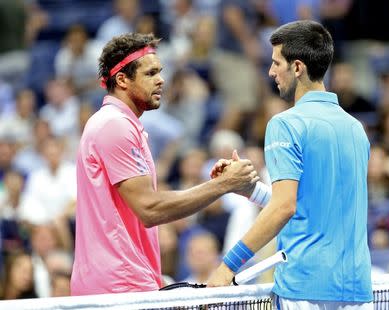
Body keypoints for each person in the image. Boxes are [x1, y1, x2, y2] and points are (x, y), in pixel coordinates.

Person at [70, 32, 258, 296]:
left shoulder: (119, 124)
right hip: (121, 287)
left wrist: (216, 185)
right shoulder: (115, 125)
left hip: (121, 283)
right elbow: (150, 209)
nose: (161, 81)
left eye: (160, 72)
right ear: (122, 79)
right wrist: (224, 185)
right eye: (150, 74)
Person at [207, 20, 373, 309]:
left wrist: (227, 267)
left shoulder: (285, 124)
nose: (271, 72)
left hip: (305, 290)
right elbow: (309, 209)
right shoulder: (356, 128)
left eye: (276, 63)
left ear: (297, 67)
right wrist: (252, 190)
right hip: (358, 290)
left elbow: (285, 207)